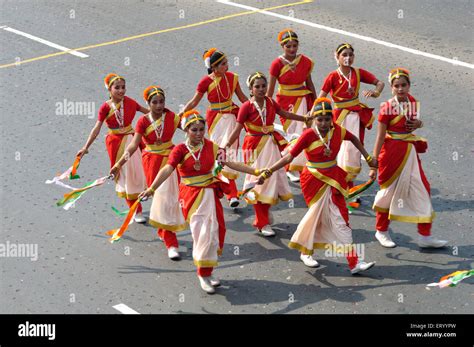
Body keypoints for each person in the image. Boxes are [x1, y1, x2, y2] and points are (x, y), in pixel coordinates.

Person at [139, 110, 258, 294]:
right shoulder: (180, 150)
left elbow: (231, 164)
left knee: (215, 231)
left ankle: (208, 271)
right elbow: (167, 169)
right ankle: (202, 274)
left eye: (202, 129)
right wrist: (152, 188)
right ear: (186, 130)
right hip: (191, 196)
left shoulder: (211, 146)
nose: (198, 133)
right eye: (194, 130)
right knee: (202, 233)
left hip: (210, 193)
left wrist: (256, 172)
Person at [257, 98, 377, 274]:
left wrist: (367, 158)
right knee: (321, 216)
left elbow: (354, 139)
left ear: (332, 118)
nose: (323, 123)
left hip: (334, 177)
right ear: (313, 119)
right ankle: (311, 252)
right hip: (313, 179)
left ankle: (352, 261)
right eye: (319, 119)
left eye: (327, 119)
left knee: (340, 217)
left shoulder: (338, 131)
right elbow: (289, 157)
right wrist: (268, 171)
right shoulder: (308, 135)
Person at [225, 72, 313, 237]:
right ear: (250, 90)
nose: (261, 89)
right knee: (258, 181)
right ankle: (261, 221)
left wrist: (304, 118)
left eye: (263, 86)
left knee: (271, 180)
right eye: (257, 87)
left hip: (271, 145)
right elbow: (237, 129)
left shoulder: (270, 102)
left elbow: (285, 115)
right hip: (254, 147)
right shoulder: (246, 107)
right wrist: (226, 146)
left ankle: (264, 213)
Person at [371, 68, 447, 249]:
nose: (400, 89)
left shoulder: (413, 102)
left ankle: (425, 235)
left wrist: (420, 124)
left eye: (404, 85)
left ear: (409, 86)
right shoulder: (386, 108)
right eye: (396, 86)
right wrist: (373, 163)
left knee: (423, 189)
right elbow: (380, 136)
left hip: (410, 153)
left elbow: (413, 125)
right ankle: (381, 230)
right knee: (388, 193)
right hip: (391, 154)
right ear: (391, 87)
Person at [110, 86, 186, 260]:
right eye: (155, 102)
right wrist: (119, 163)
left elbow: (192, 130)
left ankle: (167, 236)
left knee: (171, 198)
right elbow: (133, 145)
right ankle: (169, 239)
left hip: (172, 159)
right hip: (152, 162)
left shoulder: (172, 117)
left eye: (161, 102)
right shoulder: (143, 122)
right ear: (148, 103)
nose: (159, 105)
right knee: (162, 198)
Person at [179, 48, 248, 209]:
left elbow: (243, 98)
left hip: (231, 116)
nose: (227, 66)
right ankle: (225, 188)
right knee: (220, 154)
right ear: (214, 67)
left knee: (229, 152)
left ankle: (231, 194)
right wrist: (183, 114)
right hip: (216, 119)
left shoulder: (233, 78)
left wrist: (254, 107)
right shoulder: (206, 82)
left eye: (227, 63)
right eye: (223, 64)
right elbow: (194, 101)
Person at [319, 43, 384, 210]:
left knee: (353, 152)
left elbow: (380, 83)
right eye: (344, 55)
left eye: (350, 54)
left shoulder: (358, 72)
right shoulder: (332, 76)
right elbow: (322, 97)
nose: (347, 57)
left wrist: (376, 92)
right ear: (337, 57)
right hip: (339, 118)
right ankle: (335, 188)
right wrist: (316, 115)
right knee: (338, 151)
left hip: (355, 118)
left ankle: (349, 191)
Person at [77, 73, 148, 222]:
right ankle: (136, 210)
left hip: (133, 140)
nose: (121, 90)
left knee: (139, 171)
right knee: (126, 175)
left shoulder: (130, 102)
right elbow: (97, 128)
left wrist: (168, 117)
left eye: (123, 87)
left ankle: (142, 197)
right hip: (116, 144)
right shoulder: (105, 107)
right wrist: (85, 147)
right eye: (117, 87)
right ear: (109, 89)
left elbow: (149, 112)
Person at [267, 29, 316, 183]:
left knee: (303, 133)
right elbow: (270, 88)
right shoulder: (276, 64)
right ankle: (289, 167)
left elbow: (309, 83)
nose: (292, 49)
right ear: (283, 47)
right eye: (288, 46)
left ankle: (299, 165)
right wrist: (267, 106)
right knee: (292, 134)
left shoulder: (305, 61)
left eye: (294, 45)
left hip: (303, 99)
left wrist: (316, 101)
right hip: (286, 102)